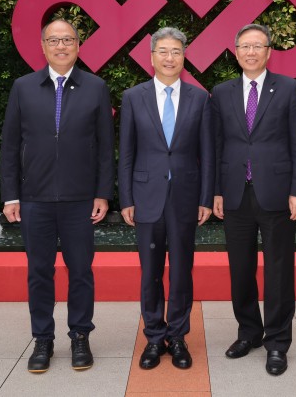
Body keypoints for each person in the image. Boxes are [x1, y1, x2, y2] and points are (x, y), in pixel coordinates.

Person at [0, 18, 114, 374]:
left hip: (81, 199)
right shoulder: (23, 87)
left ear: (79, 45)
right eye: (54, 40)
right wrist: (10, 195)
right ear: (43, 46)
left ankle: (80, 335)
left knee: (80, 271)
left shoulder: (96, 87)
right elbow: (9, 146)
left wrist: (102, 193)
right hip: (34, 199)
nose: (61, 46)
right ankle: (43, 339)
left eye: (67, 40)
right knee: (39, 272)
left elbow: (106, 147)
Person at [211, 24, 296, 376]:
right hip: (236, 193)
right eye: (244, 47)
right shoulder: (221, 92)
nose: (250, 52)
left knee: (279, 271)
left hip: (277, 194)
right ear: (235, 52)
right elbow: (217, 146)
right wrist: (216, 191)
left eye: (258, 46)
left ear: (269, 52)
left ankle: (278, 342)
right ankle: (248, 332)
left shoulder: (287, 88)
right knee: (240, 270)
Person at [118, 27, 214, 370]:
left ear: (184, 56)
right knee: (150, 273)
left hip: (186, 197)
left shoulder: (200, 98)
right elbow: (126, 153)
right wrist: (125, 197)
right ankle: (154, 338)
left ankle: (178, 336)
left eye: (175, 51)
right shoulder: (133, 97)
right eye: (163, 51)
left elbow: (208, 153)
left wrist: (205, 197)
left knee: (182, 272)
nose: (169, 57)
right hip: (146, 196)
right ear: (151, 56)